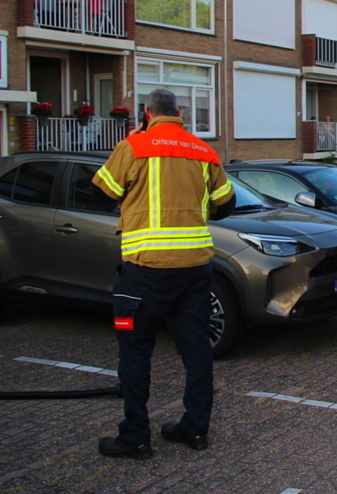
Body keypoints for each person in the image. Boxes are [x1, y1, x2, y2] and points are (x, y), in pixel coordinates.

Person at [92, 89, 235, 460]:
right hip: (195, 267)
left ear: (147, 113)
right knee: (196, 348)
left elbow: (104, 191)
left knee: (136, 351)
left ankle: (135, 437)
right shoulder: (203, 150)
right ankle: (195, 429)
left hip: (146, 269)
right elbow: (226, 204)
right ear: (180, 114)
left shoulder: (134, 145)